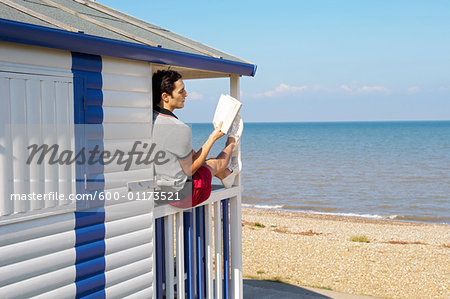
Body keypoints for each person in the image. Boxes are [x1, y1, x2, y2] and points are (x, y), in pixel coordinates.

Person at [152, 70, 242, 208]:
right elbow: (190, 169)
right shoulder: (178, 128)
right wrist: (212, 138)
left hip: (160, 191)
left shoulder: (151, 118)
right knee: (213, 164)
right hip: (183, 195)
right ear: (165, 96)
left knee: (201, 159)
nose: (186, 94)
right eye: (181, 91)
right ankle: (232, 141)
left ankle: (225, 175)